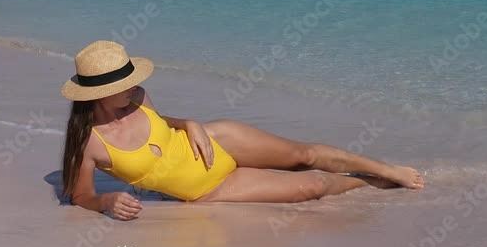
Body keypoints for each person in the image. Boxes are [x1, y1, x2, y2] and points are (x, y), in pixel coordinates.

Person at [60, 40, 424, 220]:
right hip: (207, 188)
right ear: (101, 92)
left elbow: (162, 123)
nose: (135, 83)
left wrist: (189, 123)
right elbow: (79, 198)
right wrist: (105, 202)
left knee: (304, 156)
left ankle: (386, 169)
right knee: (310, 187)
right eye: (125, 82)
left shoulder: (137, 96)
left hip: (219, 141)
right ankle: (366, 180)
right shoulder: (88, 144)